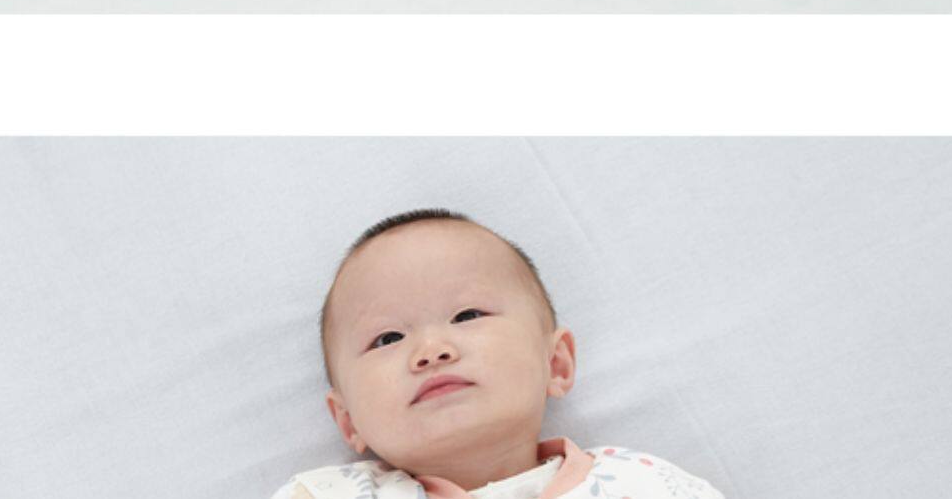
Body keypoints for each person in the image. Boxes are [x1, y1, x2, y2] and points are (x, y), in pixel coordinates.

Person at [273, 207, 729, 499]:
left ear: (555, 364)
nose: (431, 351)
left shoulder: (641, 484)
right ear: (348, 420)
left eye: (467, 315)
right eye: (388, 339)